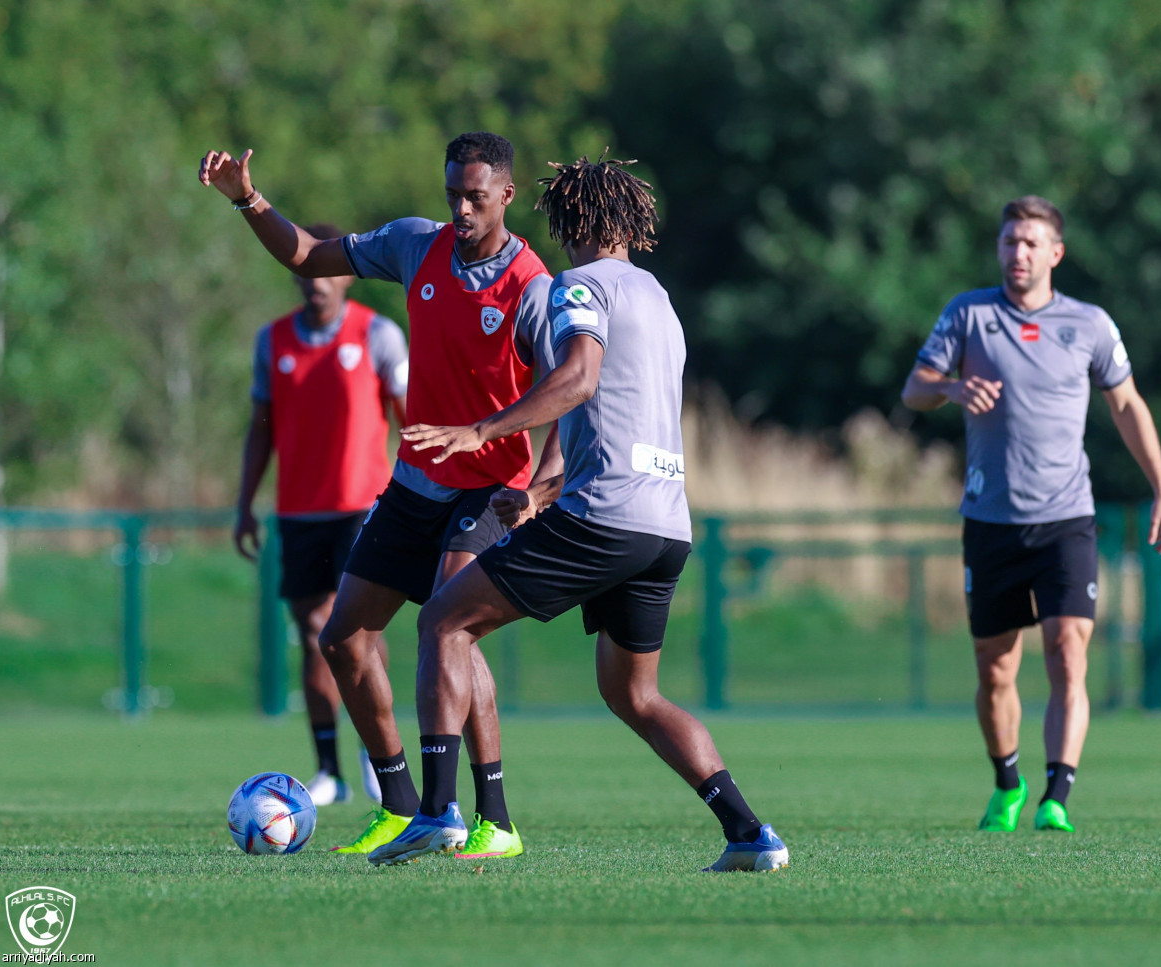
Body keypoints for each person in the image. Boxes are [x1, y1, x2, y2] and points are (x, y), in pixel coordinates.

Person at [375, 154, 789, 872]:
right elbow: (614, 413)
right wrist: (538, 492)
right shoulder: (658, 298)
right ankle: (751, 833)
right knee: (633, 692)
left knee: (443, 620)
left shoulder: (577, 287)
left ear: (571, 220)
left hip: (604, 516)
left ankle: (438, 811)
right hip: (665, 526)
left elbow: (578, 379)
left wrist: (482, 430)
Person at [201, 132, 559, 859]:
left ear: (507, 196)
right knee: (343, 637)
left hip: (492, 485)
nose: (460, 208)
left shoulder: (532, 287)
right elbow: (305, 253)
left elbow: (570, 391)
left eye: (476, 197)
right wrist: (248, 200)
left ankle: (478, 815)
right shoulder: (412, 245)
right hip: (416, 481)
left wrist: (542, 486)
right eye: (452, 192)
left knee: (447, 625)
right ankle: (398, 803)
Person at [901, 195, 1161, 833]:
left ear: (1055, 253)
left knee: (1066, 650)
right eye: (1009, 242)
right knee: (997, 668)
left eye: (1030, 243)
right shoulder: (968, 315)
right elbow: (914, 390)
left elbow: (1128, 406)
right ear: (999, 249)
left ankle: (1057, 795)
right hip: (991, 520)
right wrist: (949, 387)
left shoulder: (1089, 324)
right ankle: (1007, 782)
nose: (1018, 253)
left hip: (1067, 518)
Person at [234, 223, 408, 807]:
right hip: (299, 514)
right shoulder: (273, 341)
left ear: (347, 277)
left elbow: (411, 424)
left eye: (331, 270)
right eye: (308, 271)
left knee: (358, 634)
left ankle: (374, 753)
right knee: (313, 637)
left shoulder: (378, 335)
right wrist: (244, 505)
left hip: (366, 509)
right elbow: (260, 433)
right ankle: (329, 769)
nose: (317, 282)